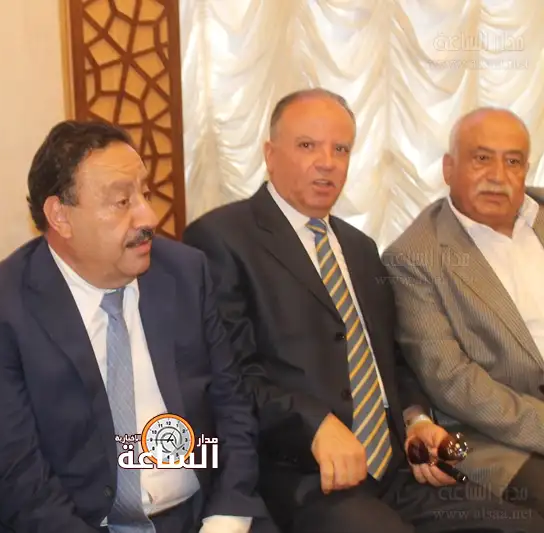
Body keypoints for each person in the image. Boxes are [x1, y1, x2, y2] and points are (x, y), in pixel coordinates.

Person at [181, 89, 544, 533]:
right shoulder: (221, 238)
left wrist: (417, 420)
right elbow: (231, 375)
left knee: (523, 526)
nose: (327, 162)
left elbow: (394, 361)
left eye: (341, 149)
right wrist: (314, 424)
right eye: (308, 145)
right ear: (270, 154)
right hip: (306, 472)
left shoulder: (359, 248)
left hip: (398, 466)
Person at [0, 120, 277, 533]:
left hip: (202, 516)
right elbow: (18, 478)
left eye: (145, 194)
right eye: (122, 201)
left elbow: (233, 406)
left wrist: (225, 519)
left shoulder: (185, 273)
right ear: (60, 216)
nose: (149, 217)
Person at [382, 107, 544, 517]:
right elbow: (452, 382)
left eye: (513, 161)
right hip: (490, 436)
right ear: (448, 168)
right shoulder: (415, 257)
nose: (498, 175)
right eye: (481, 158)